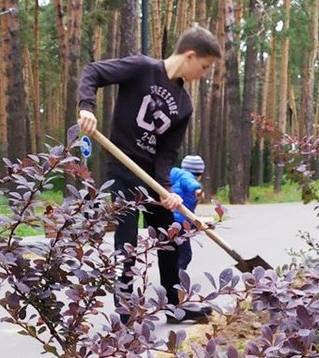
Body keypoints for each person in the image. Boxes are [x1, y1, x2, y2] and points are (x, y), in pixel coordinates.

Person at [77, 25, 222, 323]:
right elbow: (93, 72)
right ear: (191, 55)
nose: (203, 74)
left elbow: (167, 153)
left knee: (169, 238)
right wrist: (87, 107)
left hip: (152, 175)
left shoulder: (185, 105)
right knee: (126, 241)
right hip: (123, 169)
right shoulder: (142, 68)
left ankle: (173, 306)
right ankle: (125, 309)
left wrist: (165, 189)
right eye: (204, 67)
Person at [169, 154, 205, 276]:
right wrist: (197, 190)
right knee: (185, 254)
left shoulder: (174, 175)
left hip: (170, 219)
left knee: (172, 251)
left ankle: (171, 274)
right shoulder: (187, 177)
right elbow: (189, 182)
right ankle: (177, 275)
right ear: (199, 173)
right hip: (179, 222)